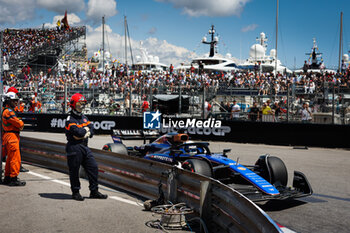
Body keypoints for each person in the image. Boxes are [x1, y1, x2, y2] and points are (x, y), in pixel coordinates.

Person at [65, 93, 107, 201]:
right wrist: (85, 131)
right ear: (73, 104)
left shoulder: (84, 117)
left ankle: (94, 191)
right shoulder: (70, 118)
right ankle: (75, 192)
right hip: (74, 147)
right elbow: (77, 133)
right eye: (80, 104)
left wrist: (85, 132)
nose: (82, 106)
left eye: (83, 104)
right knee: (74, 171)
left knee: (93, 167)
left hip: (84, 146)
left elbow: (92, 130)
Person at [2, 92, 26, 186]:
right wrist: (20, 122)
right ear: (8, 100)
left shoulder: (6, 110)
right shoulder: (9, 111)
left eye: (16, 100)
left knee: (10, 159)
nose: (16, 102)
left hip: (9, 136)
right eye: (14, 100)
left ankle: (8, 177)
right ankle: (13, 178)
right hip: (11, 136)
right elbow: (20, 124)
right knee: (15, 158)